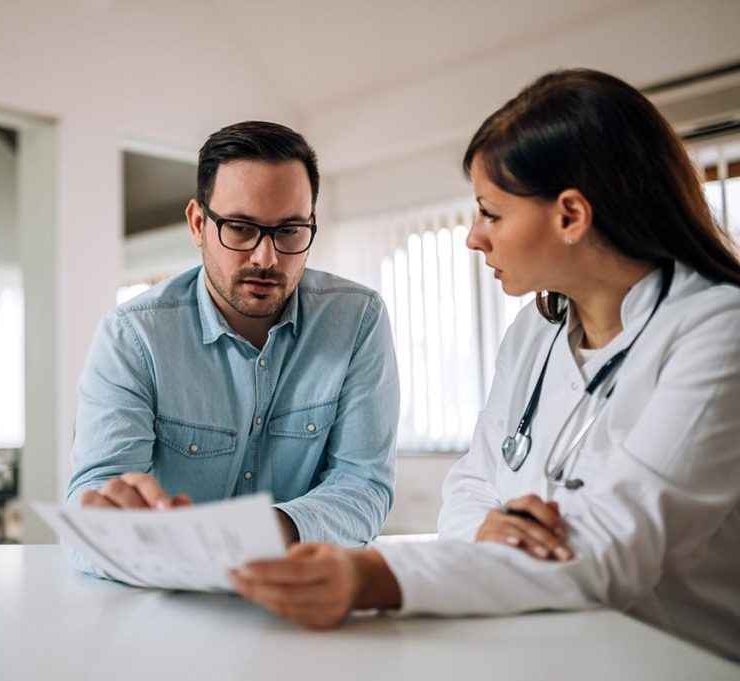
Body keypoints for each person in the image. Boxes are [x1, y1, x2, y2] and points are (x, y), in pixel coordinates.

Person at [230, 69, 740, 660]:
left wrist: (372, 577)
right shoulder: (535, 332)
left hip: (681, 659)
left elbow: (612, 550)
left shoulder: (717, 331)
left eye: (490, 213)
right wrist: (484, 531)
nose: (474, 238)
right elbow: (470, 486)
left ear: (570, 215)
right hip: (543, 646)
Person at [66, 121, 399, 557]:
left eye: (289, 231)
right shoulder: (132, 337)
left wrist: (259, 534)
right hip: (169, 596)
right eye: (241, 228)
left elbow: (363, 486)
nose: (267, 258)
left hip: (305, 591)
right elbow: (96, 492)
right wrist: (111, 517)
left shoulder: (358, 319)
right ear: (198, 223)